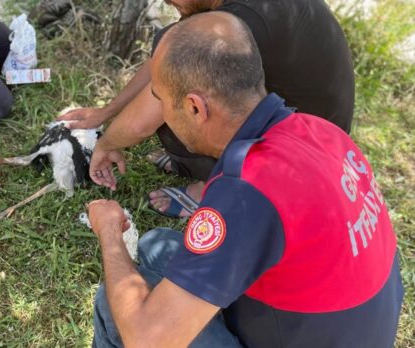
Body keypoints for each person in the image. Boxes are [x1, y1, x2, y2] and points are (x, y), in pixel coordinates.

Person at [86, 11, 403, 348]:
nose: (162, 113)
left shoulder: (247, 189)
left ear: (195, 108)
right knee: (155, 247)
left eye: (163, 101)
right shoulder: (320, 131)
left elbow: (146, 339)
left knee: (117, 302)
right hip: (339, 329)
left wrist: (108, 232)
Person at [60, 0, 355, 218]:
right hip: (314, 132)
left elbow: (142, 122)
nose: (166, 2)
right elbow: (168, 59)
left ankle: (209, 188)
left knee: (176, 108)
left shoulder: (241, 22)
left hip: (303, 163)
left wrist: (108, 142)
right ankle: (199, 165)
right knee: (176, 64)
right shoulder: (229, 17)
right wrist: (107, 113)